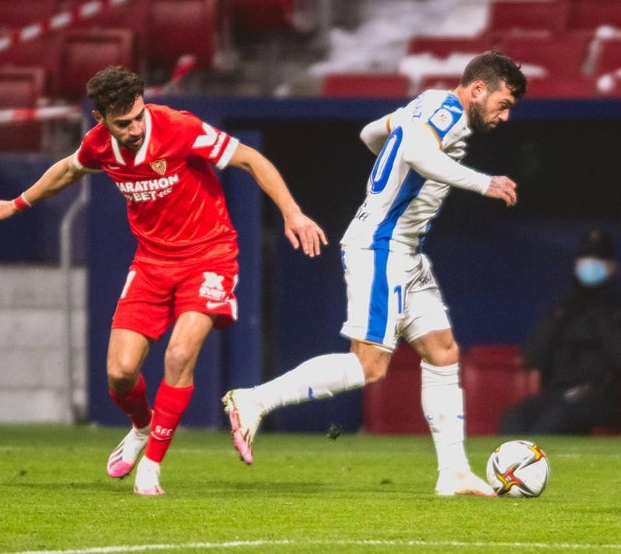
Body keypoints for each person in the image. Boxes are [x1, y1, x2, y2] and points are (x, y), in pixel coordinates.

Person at [0, 66, 327, 496]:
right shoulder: (99, 147)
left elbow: (250, 159)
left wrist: (292, 212)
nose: (135, 128)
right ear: (100, 119)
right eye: (123, 122)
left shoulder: (179, 128)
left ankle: (152, 467)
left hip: (209, 255)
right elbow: (67, 171)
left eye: (139, 116)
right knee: (120, 374)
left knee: (180, 355)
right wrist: (18, 203)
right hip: (152, 263)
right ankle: (142, 427)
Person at [222, 51, 526, 496]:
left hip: (407, 251)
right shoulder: (445, 110)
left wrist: (397, 148)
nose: (505, 115)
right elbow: (420, 151)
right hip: (382, 246)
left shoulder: (425, 104)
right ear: (478, 89)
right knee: (370, 365)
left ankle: (455, 472)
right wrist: (484, 182)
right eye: (504, 103)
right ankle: (255, 400)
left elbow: (370, 133)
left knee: (442, 351)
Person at [497, 229, 621, 435]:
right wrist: (560, 316)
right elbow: (531, 357)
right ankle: (514, 467)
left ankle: (537, 466)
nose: (590, 265)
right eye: (585, 259)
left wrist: (599, 314)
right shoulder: (562, 310)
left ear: (613, 267)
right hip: (556, 394)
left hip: (604, 399)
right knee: (514, 419)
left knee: (557, 417)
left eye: (598, 260)